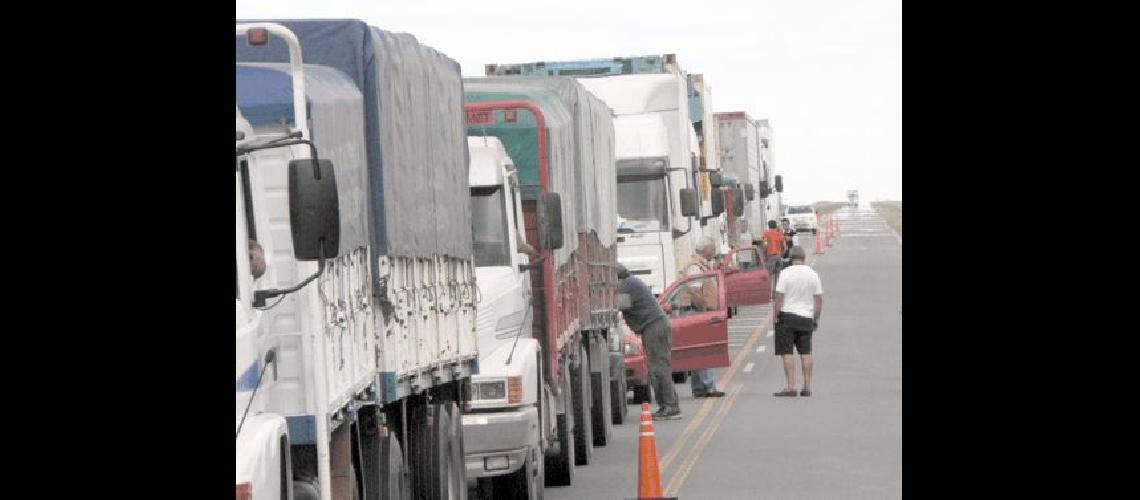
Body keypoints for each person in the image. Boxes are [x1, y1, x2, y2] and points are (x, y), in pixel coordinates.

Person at [618, 264, 682, 420]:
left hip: (654, 327)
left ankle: (670, 406)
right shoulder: (632, 282)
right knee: (659, 366)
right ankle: (667, 405)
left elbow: (617, 305)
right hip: (654, 325)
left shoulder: (627, 285)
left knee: (659, 367)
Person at [772, 246, 824, 397]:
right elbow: (819, 299)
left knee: (787, 352)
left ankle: (791, 386)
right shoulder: (813, 274)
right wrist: (816, 317)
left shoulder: (785, 274)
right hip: (806, 317)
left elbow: (779, 297)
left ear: (790, 258)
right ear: (804, 258)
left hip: (787, 315)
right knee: (806, 352)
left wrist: (775, 315)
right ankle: (807, 386)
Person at [682, 237, 726, 398]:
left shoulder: (702, 265)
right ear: (705, 249)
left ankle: (699, 388)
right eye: (712, 248)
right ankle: (709, 387)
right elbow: (695, 292)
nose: (714, 251)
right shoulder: (695, 267)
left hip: (697, 312)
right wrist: (704, 311)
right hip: (697, 312)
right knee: (704, 351)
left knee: (698, 352)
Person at [762, 220, 786, 285]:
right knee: (778, 276)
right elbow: (784, 245)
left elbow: (765, 244)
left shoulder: (766, 233)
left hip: (771, 256)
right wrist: (782, 253)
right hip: (778, 256)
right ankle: (778, 289)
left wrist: (764, 253)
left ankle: (770, 291)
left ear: (768, 226)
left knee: (769, 275)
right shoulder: (779, 233)